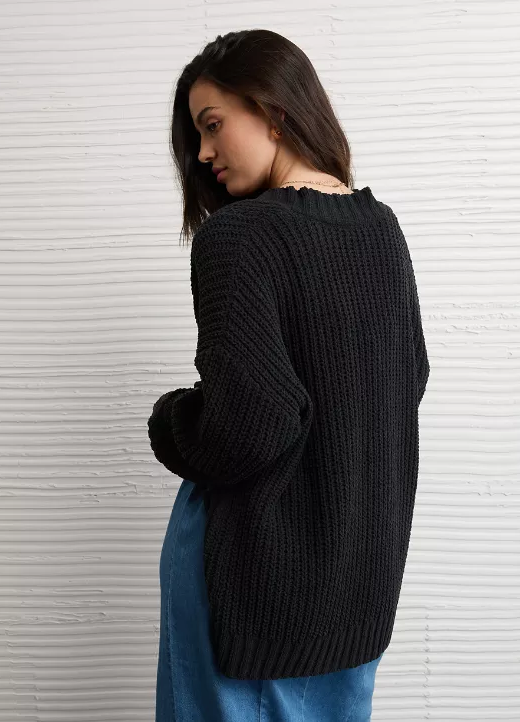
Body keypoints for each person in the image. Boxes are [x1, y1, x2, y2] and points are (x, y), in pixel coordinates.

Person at [149, 29, 429, 721]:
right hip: (356, 581)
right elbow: (408, 380)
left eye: (212, 124)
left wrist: (171, 420)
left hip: (251, 581)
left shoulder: (239, 235)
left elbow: (248, 424)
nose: (203, 153)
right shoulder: (381, 227)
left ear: (273, 110)